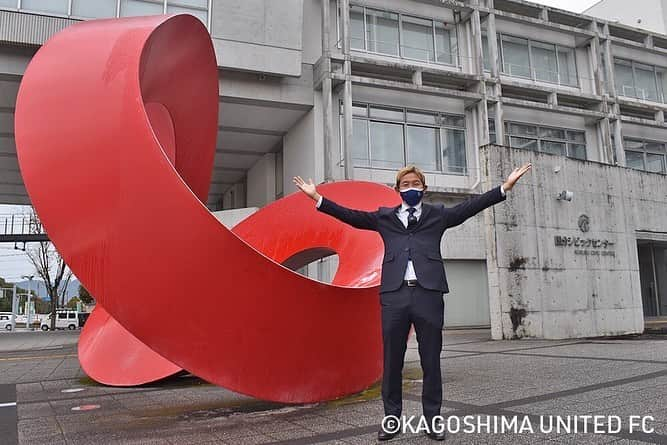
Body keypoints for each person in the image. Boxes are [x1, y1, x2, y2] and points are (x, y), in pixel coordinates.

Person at [293, 163, 531, 441]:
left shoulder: (437, 216)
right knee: (392, 361)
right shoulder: (385, 218)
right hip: (394, 295)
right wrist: (317, 198)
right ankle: (392, 420)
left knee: (431, 360)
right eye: (405, 185)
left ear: (424, 189)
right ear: (397, 190)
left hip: (428, 294)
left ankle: (433, 421)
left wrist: (504, 188)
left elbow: (469, 208)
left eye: (415, 184)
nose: (411, 189)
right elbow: (353, 217)